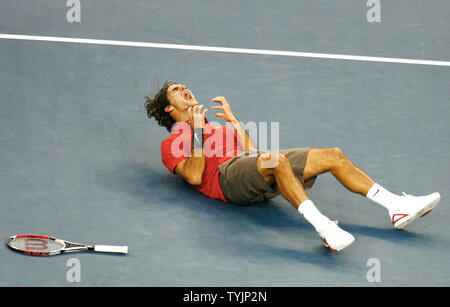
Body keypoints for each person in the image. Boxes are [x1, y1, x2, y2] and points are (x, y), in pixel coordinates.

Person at [144, 82, 441, 252]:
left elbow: (255, 155)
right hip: (225, 181)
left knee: (332, 155)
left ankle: (395, 207)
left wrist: (234, 122)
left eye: (182, 85)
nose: (183, 87)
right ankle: (325, 229)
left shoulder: (219, 128)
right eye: (174, 89)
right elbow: (195, 175)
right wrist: (196, 129)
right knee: (278, 160)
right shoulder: (172, 143)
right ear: (169, 109)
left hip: (248, 170)